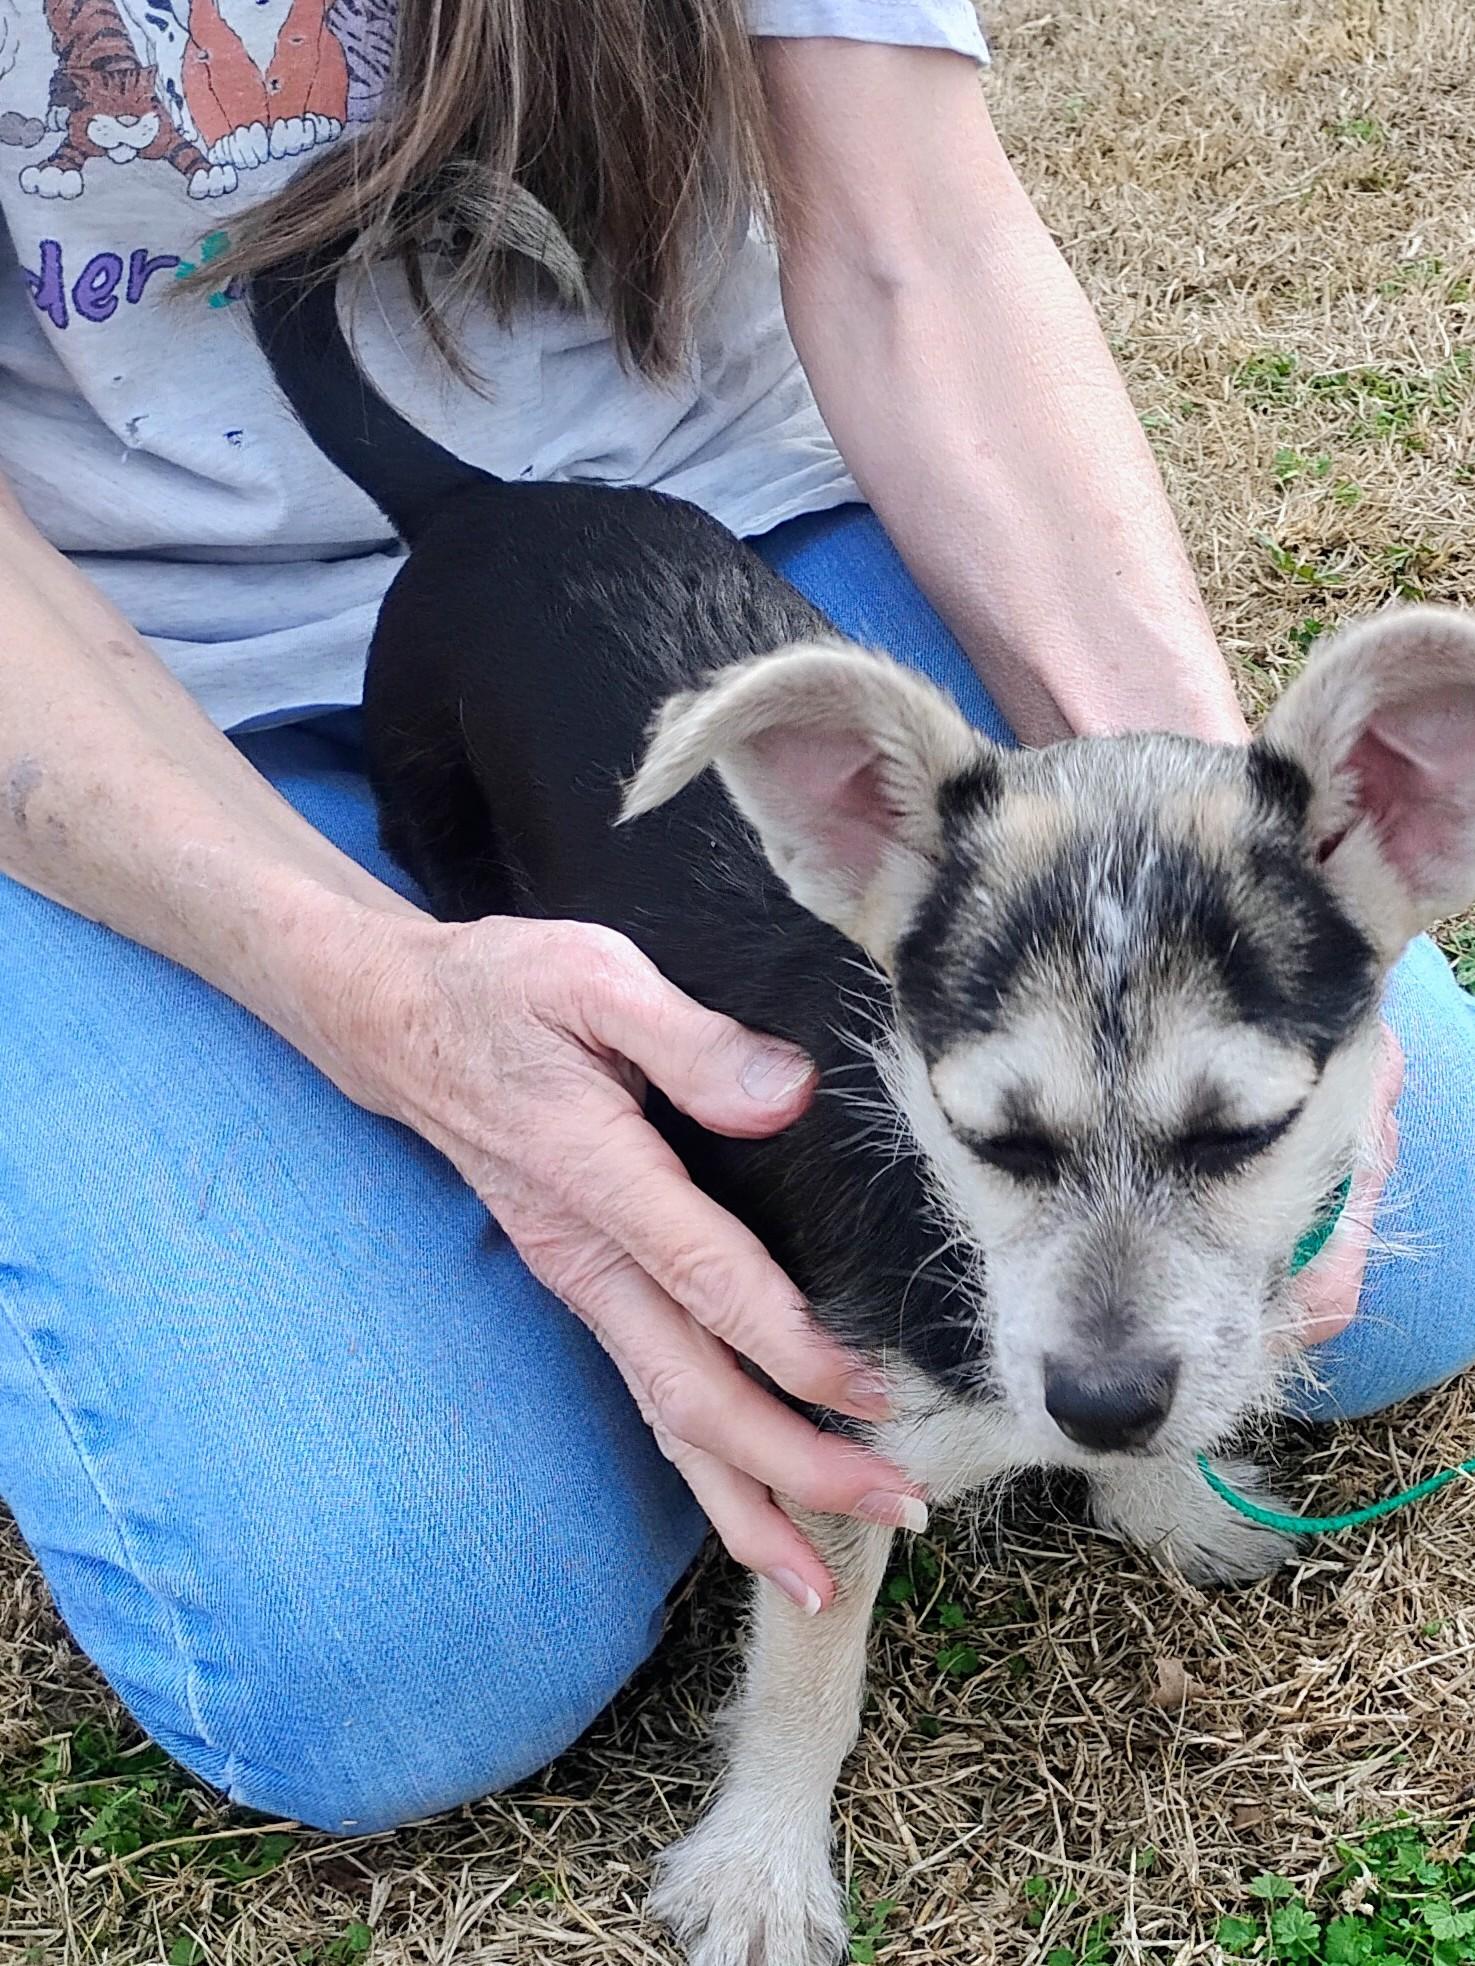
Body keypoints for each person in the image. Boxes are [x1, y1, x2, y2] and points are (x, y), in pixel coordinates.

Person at [0, 0, 1469, 1837]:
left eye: (1229, 1125)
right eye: (1005, 1137)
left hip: (732, 492)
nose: (1106, 1333)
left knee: (1423, 1255)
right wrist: (389, 1003)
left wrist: (1214, 836)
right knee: (409, 1647)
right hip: (102, 659)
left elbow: (915, 231)